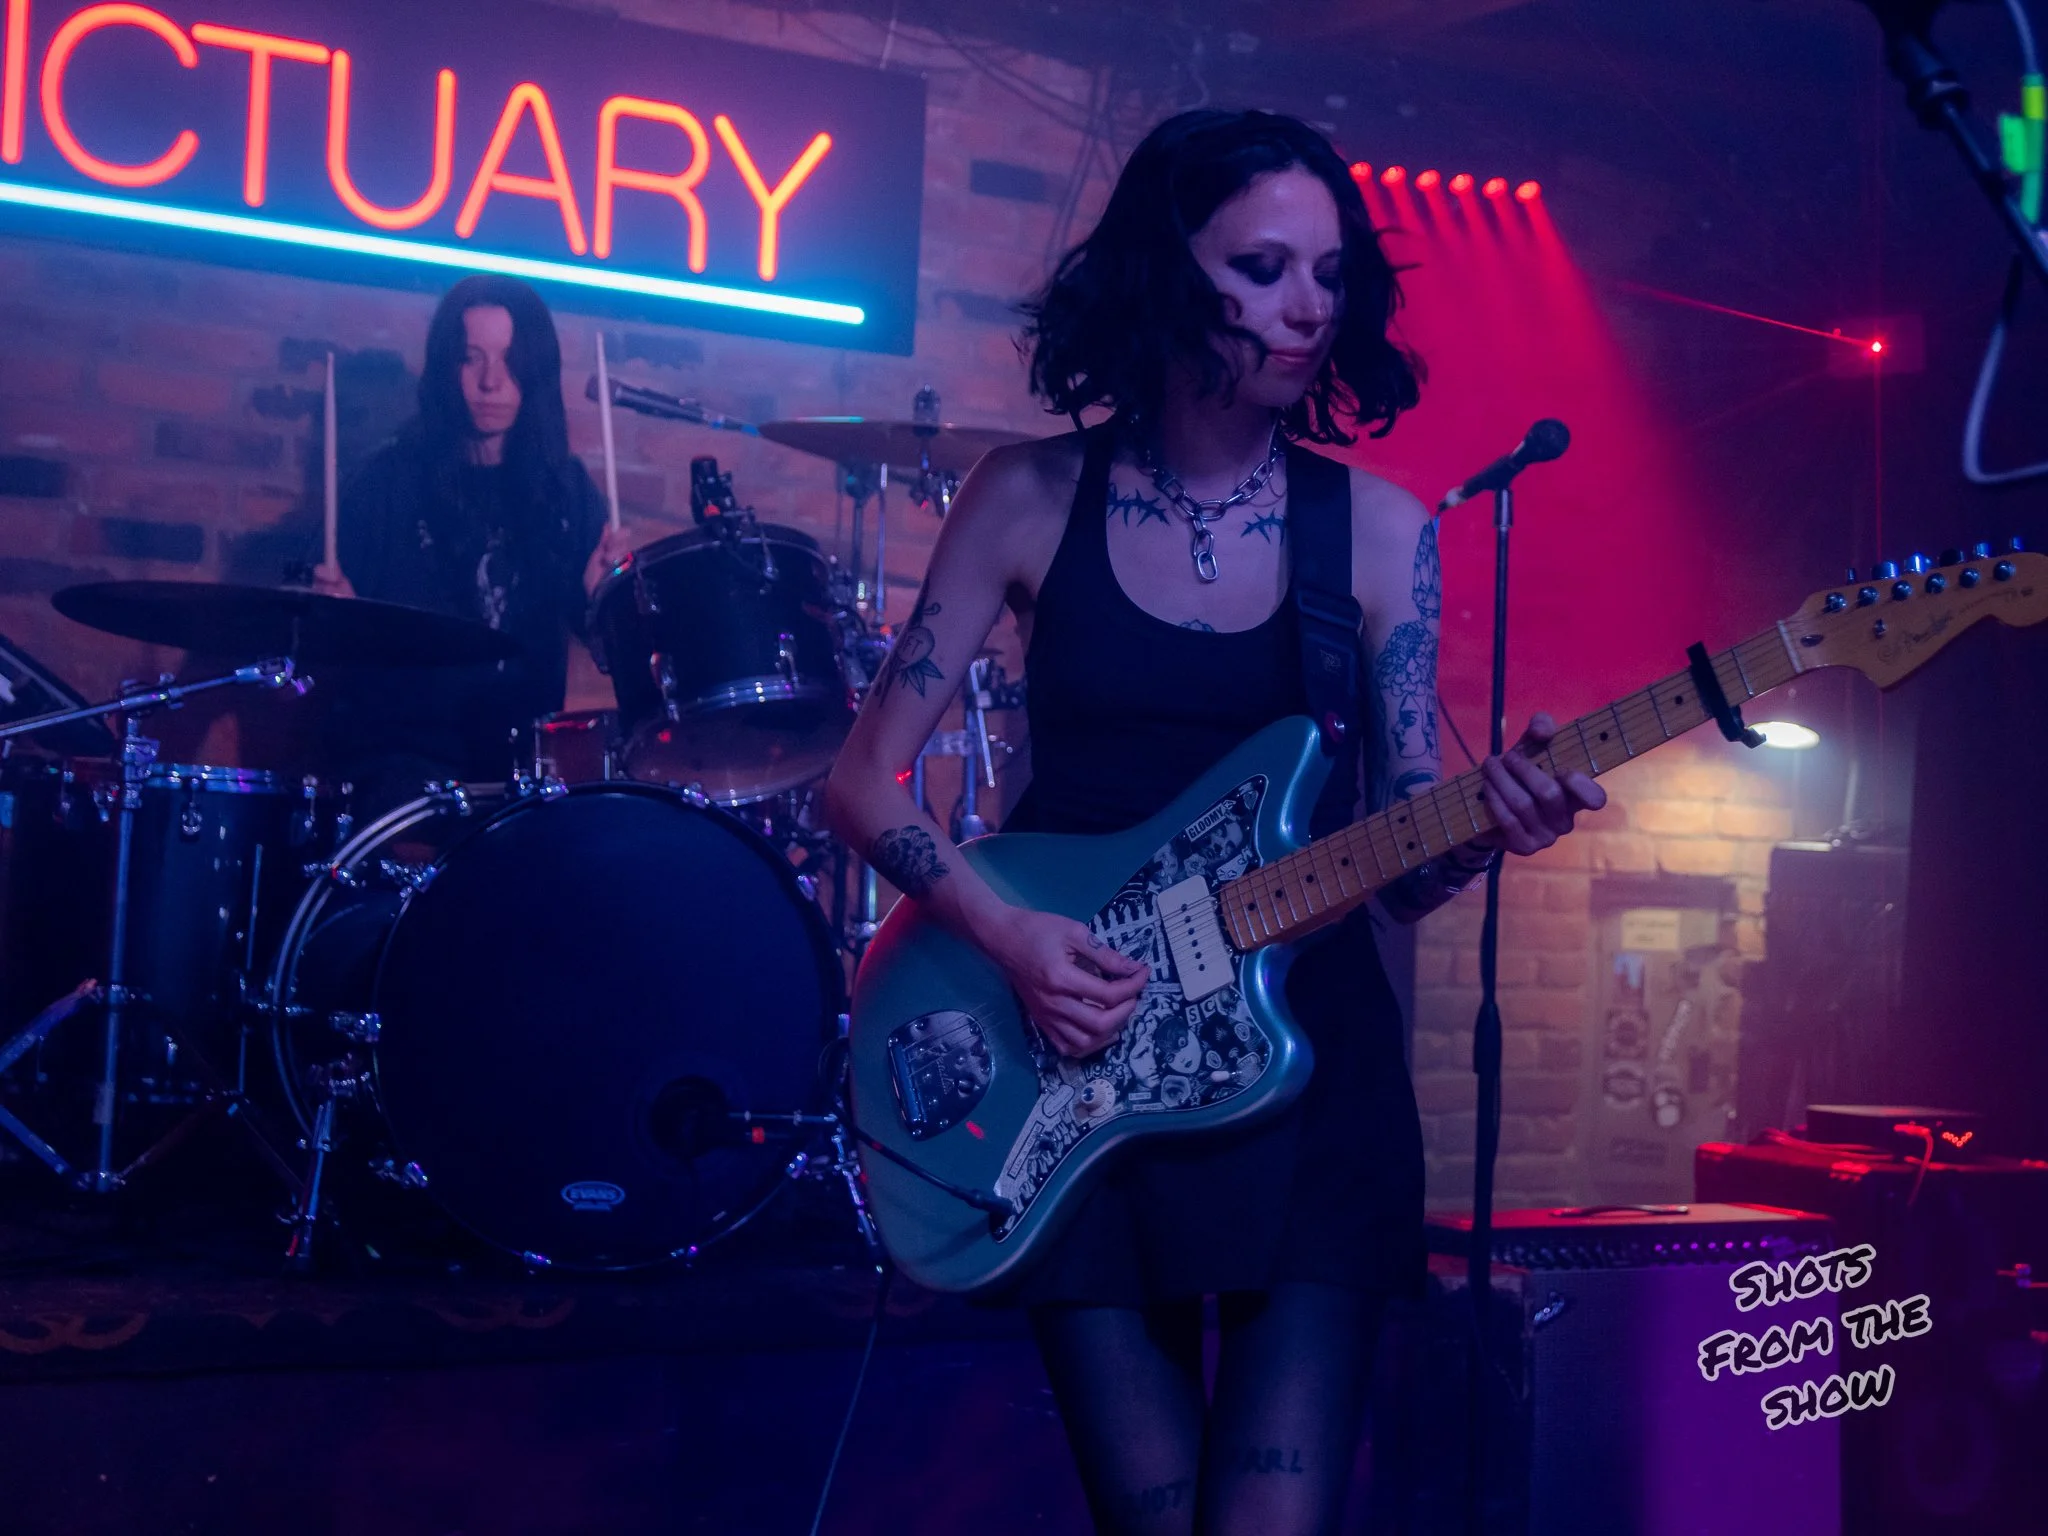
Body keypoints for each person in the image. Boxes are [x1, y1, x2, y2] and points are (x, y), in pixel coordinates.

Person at [822, 110, 1604, 1535]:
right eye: (1262, 267)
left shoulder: (1380, 532)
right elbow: (860, 781)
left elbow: (1398, 864)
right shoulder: (1025, 497)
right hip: (1079, 1063)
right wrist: (1010, 939)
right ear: (1162, 272)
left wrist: (1486, 826)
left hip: (1304, 1086)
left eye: (1329, 273)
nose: (1309, 306)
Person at [313, 274, 632, 813]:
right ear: (446, 368)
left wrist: (604, 601)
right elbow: (314, 646)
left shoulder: (565, 489)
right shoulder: (386, 483)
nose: (491, 382)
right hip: (400, 772)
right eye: (471, 359)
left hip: (521, 774)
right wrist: (332, 618)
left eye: (511, 361)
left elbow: (610, 656)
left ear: (534, 372)